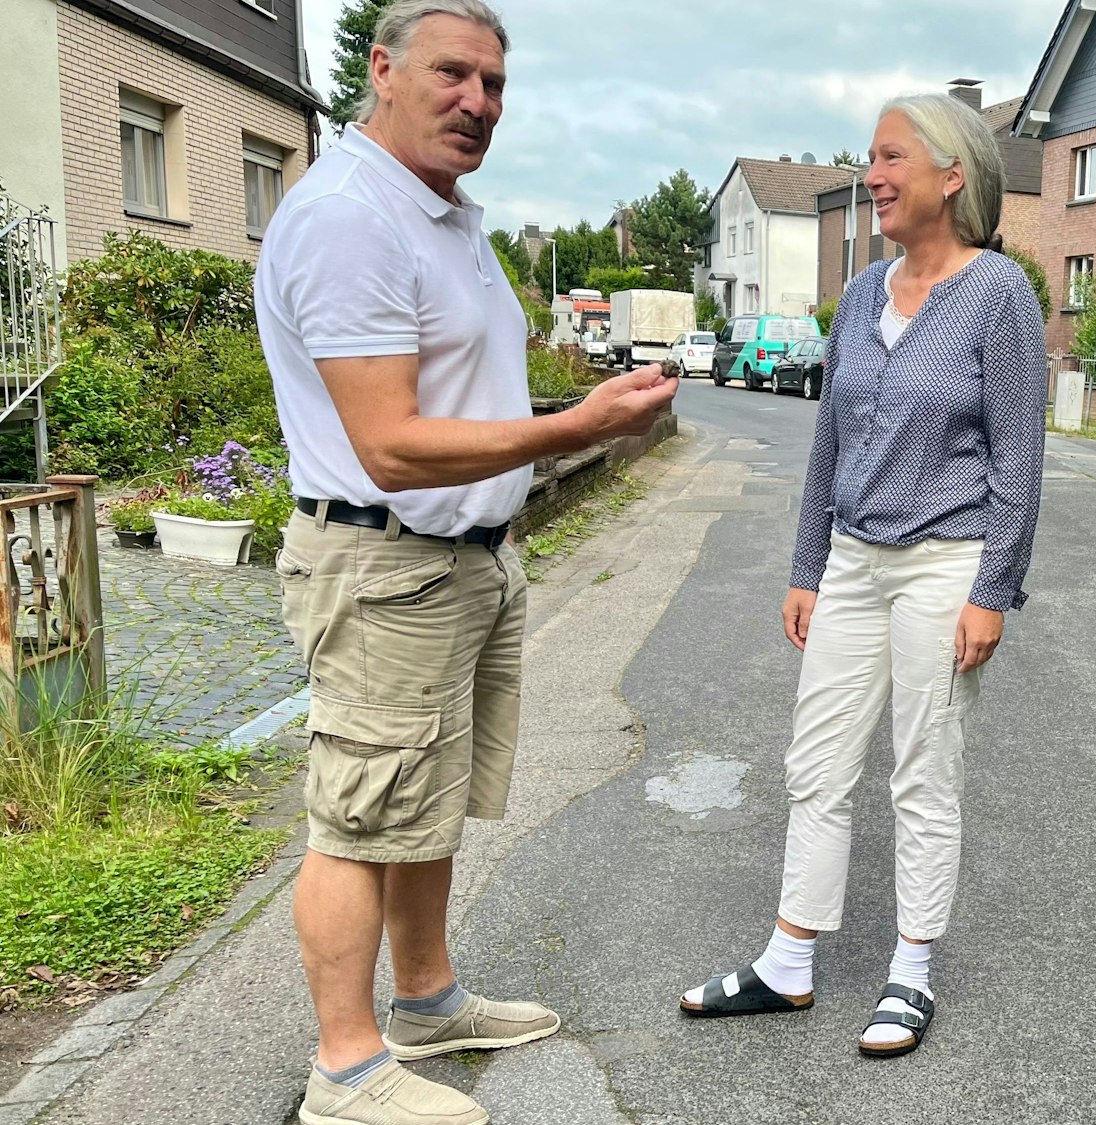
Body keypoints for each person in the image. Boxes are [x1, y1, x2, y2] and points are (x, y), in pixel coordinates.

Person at [252, 3, 677, 1122]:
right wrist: (575, 429)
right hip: (385, 563)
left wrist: (572, 413)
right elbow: (388, 443)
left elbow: (464, 403)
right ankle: (343, 1072)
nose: (477, 102)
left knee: (421, 803)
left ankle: (426, 1002)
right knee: (359, 815)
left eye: (494, 84)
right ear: (381, 71)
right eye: (453, 74)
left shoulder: (439, 216)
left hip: (459, 563)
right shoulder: (350, 218)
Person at [679, 94, 1046, 1058]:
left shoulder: (1000, 290)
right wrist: (808, 564)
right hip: (852, 562)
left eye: (891, 158)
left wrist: (992, 589)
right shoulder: (866, 295)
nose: (872, 175)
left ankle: (911, 971)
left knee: (923, 771)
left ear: (952, 174)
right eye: (869, 159)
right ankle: (788, 961)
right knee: (817, 762)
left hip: (944, 564)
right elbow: (828, 446)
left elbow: (1019, 459)